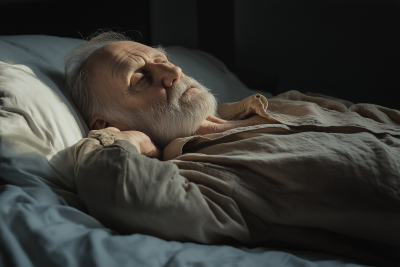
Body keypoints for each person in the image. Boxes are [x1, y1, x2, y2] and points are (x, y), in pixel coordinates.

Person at [65, 32, 400, 267]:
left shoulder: (290, 102)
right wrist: (125, 139)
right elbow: (116, 185)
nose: (173, 72)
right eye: (141, 79)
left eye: (162, 60)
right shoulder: (201, 174)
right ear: (108, 121)